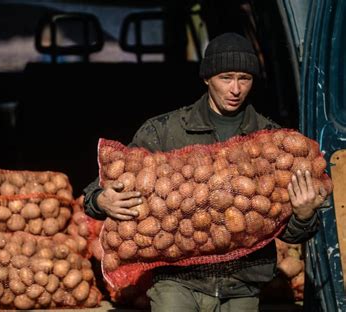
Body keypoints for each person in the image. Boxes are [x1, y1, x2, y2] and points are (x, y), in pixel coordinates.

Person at [83, 32, 327, 312]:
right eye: (226, 78)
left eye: (244, 79)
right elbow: (99, 188)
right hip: (178, 282)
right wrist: (101, 199)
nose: (235, 89)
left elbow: (291, 234)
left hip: (242, 284)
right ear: (207, 78)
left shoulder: (270, 141)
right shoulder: (165, 131)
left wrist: (305, 215)